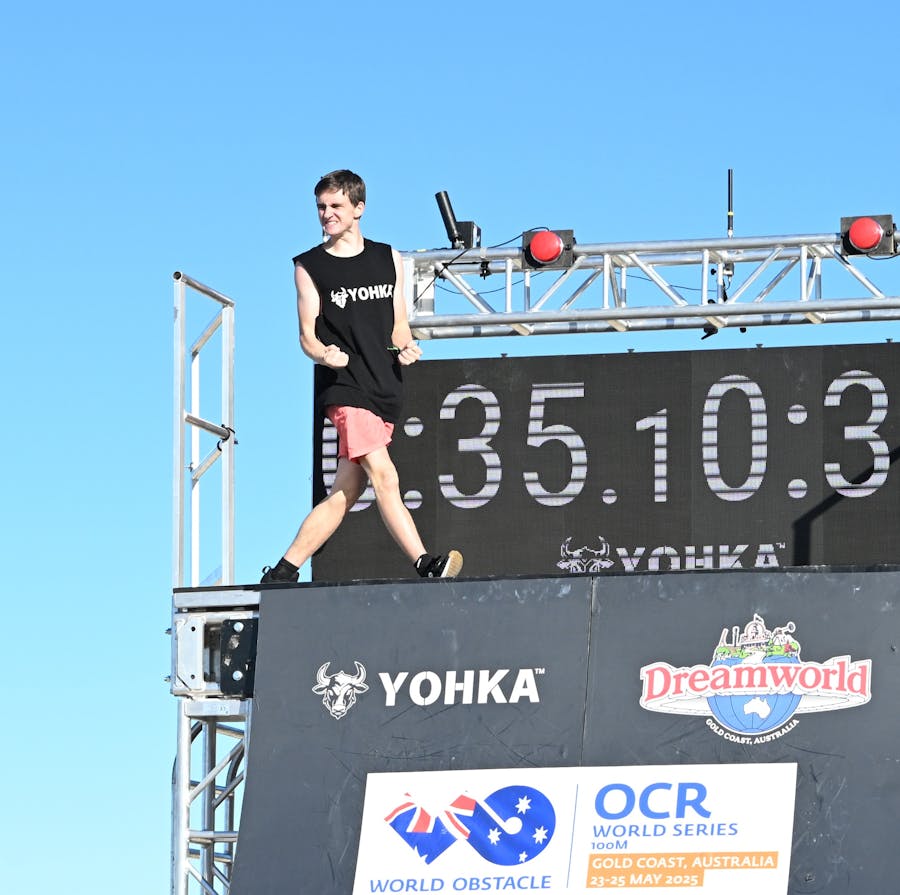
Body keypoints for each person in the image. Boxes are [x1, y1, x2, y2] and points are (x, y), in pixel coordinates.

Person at [261, 170, 463, 584]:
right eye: (321, 207)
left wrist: (407, 346)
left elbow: (398, 324)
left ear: (358, 208)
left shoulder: (388, 257)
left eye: (335, 206)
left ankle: (282, 572)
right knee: (385, 476)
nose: (326, 215)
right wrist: (324, 353)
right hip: (346, 389)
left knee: (345, 492)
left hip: (383, 386)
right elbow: (306, 337)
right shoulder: (308, 266)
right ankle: (425, 562)